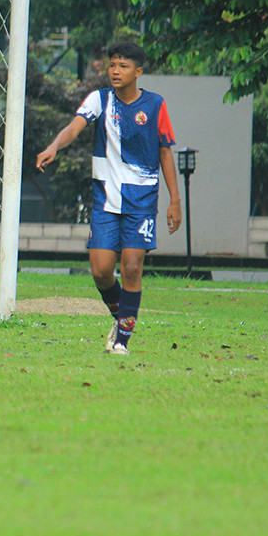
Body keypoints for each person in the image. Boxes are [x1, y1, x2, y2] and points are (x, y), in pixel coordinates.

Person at [36, 41, 182, 355]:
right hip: (105, 201)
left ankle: (122, 342)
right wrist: (53, 147)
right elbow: (74, 127)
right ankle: (122, 317)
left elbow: (166, 153)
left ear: (138, 72)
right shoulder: (100, 100)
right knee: (102, 271)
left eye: (124, 66)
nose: (116, 71)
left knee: (131, 267)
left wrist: (175, 200)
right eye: (113, 65)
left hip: (141, 201)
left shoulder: (155, 105)